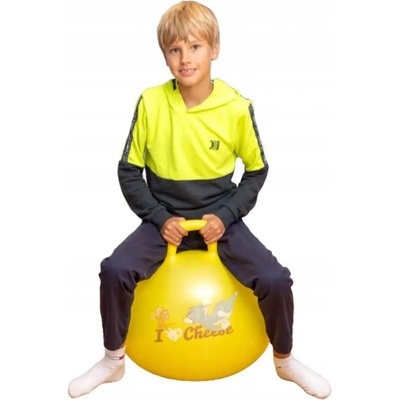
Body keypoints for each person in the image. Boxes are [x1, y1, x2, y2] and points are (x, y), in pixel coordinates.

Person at [68, 1, 331, 398]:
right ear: (165, 56)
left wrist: (225, 215)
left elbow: (257, 171)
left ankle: (285, 360)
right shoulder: (151, 102)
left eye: (195, 47)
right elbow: (128, 171)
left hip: (220, 220)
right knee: (115, 270)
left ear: (214, 49)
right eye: (174, 49)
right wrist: (160, 218)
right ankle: (112, 360)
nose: (185, 58)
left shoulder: (237, 107)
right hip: (164, 221)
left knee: (276, 279)